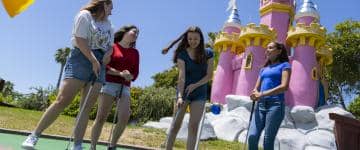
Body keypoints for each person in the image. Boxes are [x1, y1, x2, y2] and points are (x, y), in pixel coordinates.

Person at [22, 0, 114, 149]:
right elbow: (80, 39)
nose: (112, 11)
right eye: (111, 7)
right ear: (104, 4)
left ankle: (77, 145)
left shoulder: (109, 25)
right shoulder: (85, 16)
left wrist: (107, 55)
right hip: (82, 57)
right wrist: (93, 60)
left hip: (100, 64)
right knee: (62, 100)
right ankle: (34, 136)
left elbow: (110, 46)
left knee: (86, 107)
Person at [162, 26, 214, 150]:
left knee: (193, 126)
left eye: (196, 38)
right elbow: (181, 77)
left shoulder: (208, 53)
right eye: (190, 38)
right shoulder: (182, 54)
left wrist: (195, 85)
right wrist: (180, 96)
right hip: (184, 92)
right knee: (175, 125)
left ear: (201, 38)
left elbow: (209, 76)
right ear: (187, 38)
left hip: (200, 93)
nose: (193, 41)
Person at [90, 25, 140, 150]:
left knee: (124, 117)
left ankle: (112, 146)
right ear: (125, 32)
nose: (135, 35)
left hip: (125, 86)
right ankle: (93, 147)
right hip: (108, 84)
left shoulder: (135, 53)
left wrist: (129, 76)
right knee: (101, 117)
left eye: (137, 34)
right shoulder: (112, 46)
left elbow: (135, 73)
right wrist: (120, 73)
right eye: (134, 32)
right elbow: (104, 66)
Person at [248, 42, 291, 150]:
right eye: (266, 48)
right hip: (261, 105)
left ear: (279, 51)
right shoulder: (263, 69)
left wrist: (261, 94)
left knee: (268, 140)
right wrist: (254, 94)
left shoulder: (285, 65)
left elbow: (284, 86)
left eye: (270, 48)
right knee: (252, 136)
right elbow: (256, 88)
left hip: (276, 105)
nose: (267, 50)